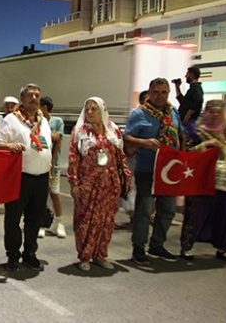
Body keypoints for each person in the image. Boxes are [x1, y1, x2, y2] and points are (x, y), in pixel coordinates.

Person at [124, 78, 185, 265]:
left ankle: (157, 244)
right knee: (144, 211)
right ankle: (139, 248)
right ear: (149, 94)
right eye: (156, 92)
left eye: (164, 92)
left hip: (169, 171)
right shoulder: (139, 114)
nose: (160, 96)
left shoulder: (173, 113)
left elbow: (181, 134)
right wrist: (144, 143)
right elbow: (126, 137)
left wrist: (181, 157)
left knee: (168, 210)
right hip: (147, 170)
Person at [68, 97, 132, 271]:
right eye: (87, 109)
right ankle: (85, 255)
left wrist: (125, 178)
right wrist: (74, 183)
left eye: (94, 109)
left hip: (110, 184)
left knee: (106, 220)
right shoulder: (80, 132)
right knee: (86, 220)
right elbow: (73, 158)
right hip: (88, 184)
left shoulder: (113, 131)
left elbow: (121, 157)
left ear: (102, 111)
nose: (89, 112)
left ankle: (100, 254)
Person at [0, 83, 52, 271]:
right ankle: (12, 254)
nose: (34, 98)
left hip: (41, 178)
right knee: (13, 219)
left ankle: (30, 253)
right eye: (30, 95)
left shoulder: (43, 121)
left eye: (37, 95)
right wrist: (10, 147)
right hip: (19, 177)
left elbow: (47, 148)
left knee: (34, 219)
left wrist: (49, 173)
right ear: (22, 99)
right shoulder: (12, 119)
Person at [180, 100, 226, 263]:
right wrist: (206, 145)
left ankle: (224, 247)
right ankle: (187, 246)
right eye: (211, 111)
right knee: (196, 213)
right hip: (203, 179)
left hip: (225, 180)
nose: (215, 115)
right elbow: (188, 152)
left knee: (225, 214)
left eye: (218, 112)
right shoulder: (197, 133)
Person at [116, 90, 148, 230]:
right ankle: (134, 217)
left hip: (149, 161)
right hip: (134, 160)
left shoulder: (160, 117)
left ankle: (138, 217)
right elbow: (128, 138)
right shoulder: (137, 116)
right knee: (131, 187)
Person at [39, 96, 67, 239]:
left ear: (44, 107)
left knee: (54, 193)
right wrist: (51, 136)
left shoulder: (57, 121)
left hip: (53, 163)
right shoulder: (37, 122)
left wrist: (51, 160)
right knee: (41, 194)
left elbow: (59, 140)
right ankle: (42, 223)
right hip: (40, 162)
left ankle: (59, 222)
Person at [174, 66, 204, 137]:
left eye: (187, 74)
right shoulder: (192, 89)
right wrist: (177, 86)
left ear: (191, 75)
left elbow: (199, 100)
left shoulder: (195, 88)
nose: (185, 76)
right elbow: (184, 103)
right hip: (187, 122)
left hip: (189, 122)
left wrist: (188, 115)